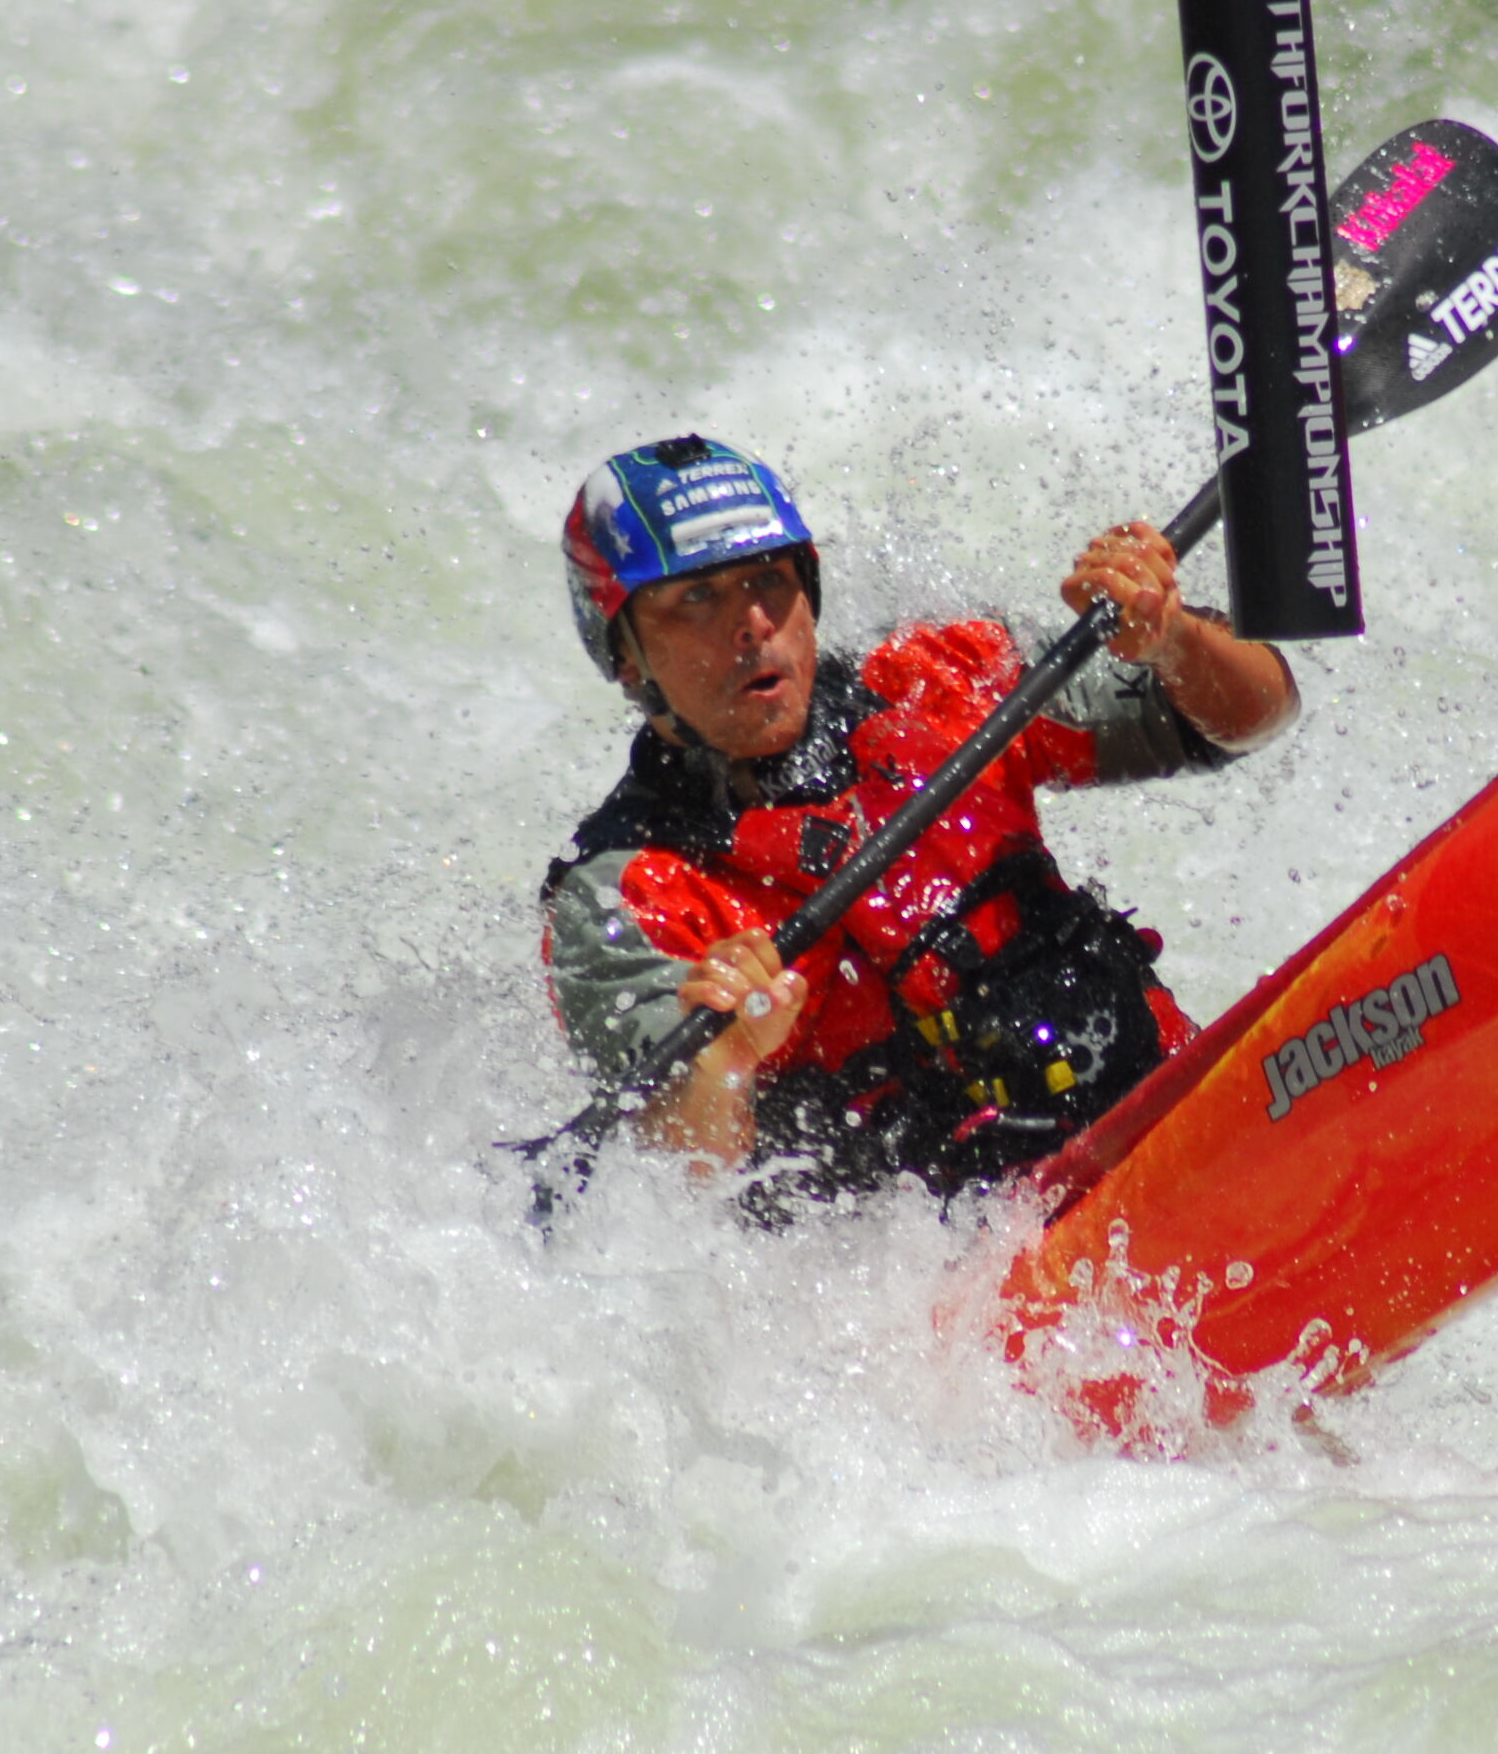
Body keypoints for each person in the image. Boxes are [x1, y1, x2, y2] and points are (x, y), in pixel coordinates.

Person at [542, 435, 1296, 1206]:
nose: (752, 623)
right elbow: (663, 1176)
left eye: (769, 579)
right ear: (626, 653)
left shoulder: (940, 678)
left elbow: (1252, 716)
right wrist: (724, 1064)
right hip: (934, 1273)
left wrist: (1170, 639)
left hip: (1166, 1129)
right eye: (697, 597)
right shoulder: (620, 892)